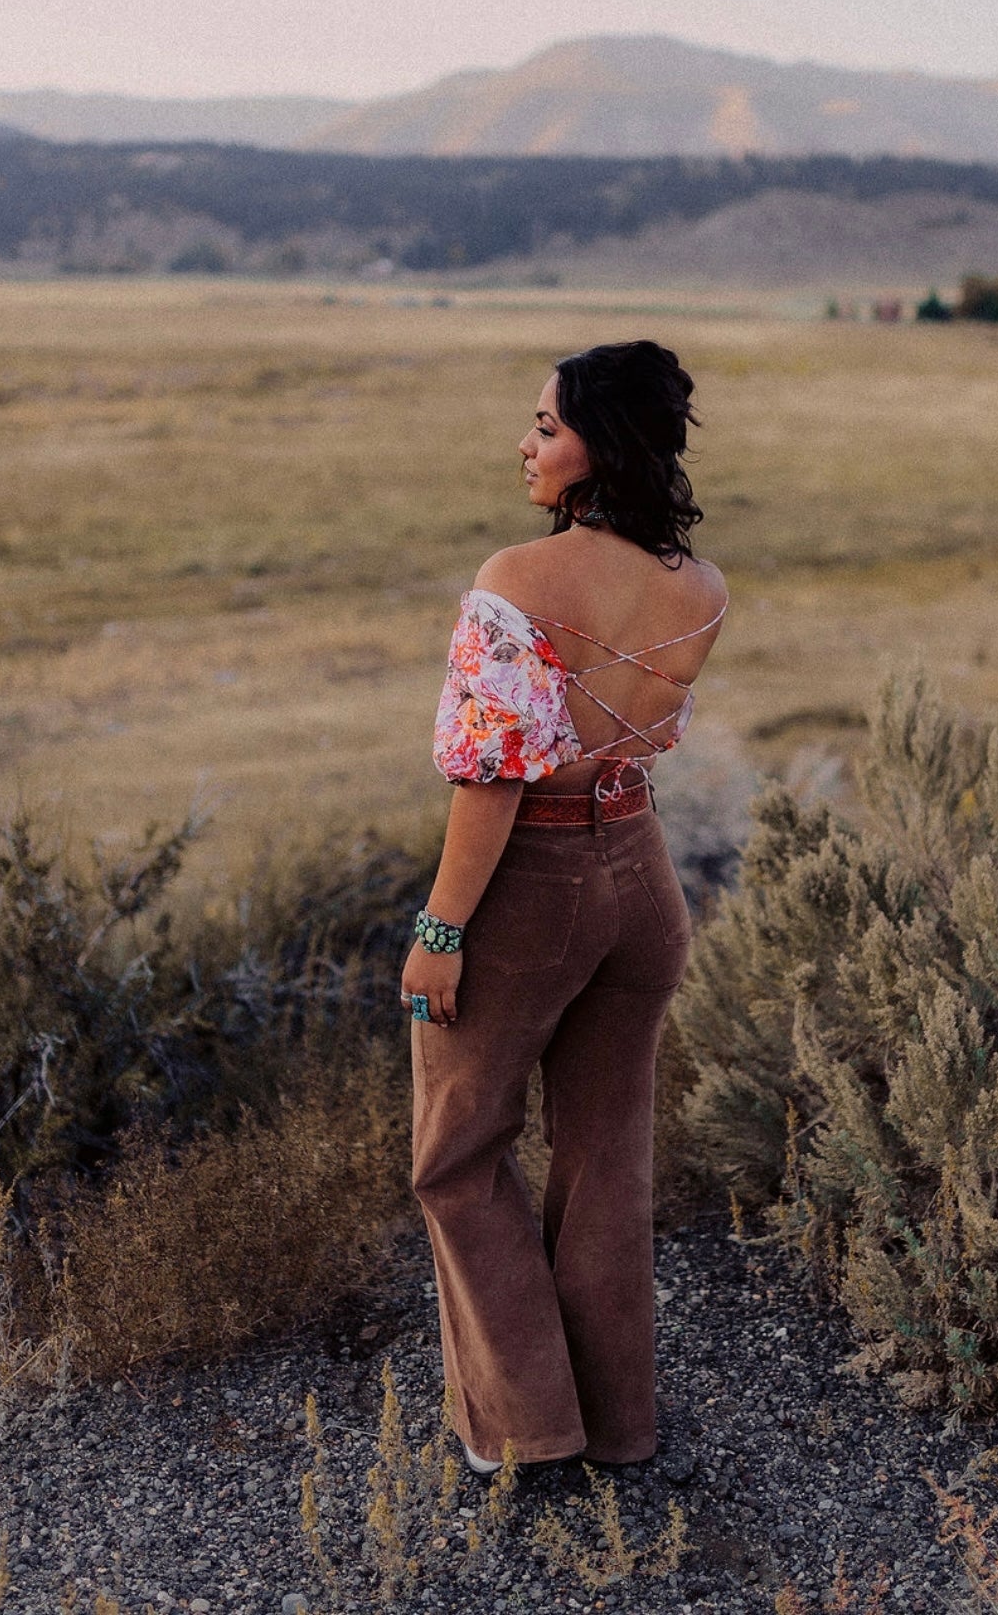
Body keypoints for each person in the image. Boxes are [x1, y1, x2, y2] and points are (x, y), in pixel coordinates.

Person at [402, 339, 727, 1478]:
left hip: (532, 889)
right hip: (641, 881)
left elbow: (493, 776)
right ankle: (620, 1430)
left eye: (546, 426)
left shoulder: (516, 581)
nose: (525, 445)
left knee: (456, 1157)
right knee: (605, 1153)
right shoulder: (700, 589)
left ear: (605, 446)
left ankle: (529, 1431)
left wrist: (441, 931)